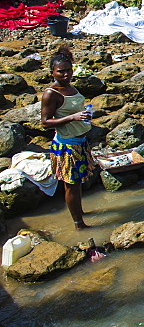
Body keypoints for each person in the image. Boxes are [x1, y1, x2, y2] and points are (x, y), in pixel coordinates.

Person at [40, 48, 93, 229]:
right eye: (60, 71)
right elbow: (45, 122)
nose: (65, 74)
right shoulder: (51, 93)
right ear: (52, 73)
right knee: (71, 185)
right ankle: (79, 224)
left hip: (79, 142)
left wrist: (84, 115)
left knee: (77, 184)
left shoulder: (70, 87)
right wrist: (73, 117)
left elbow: (73, 109)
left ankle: (79, 212)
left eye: (68, 70)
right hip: (67, 146)